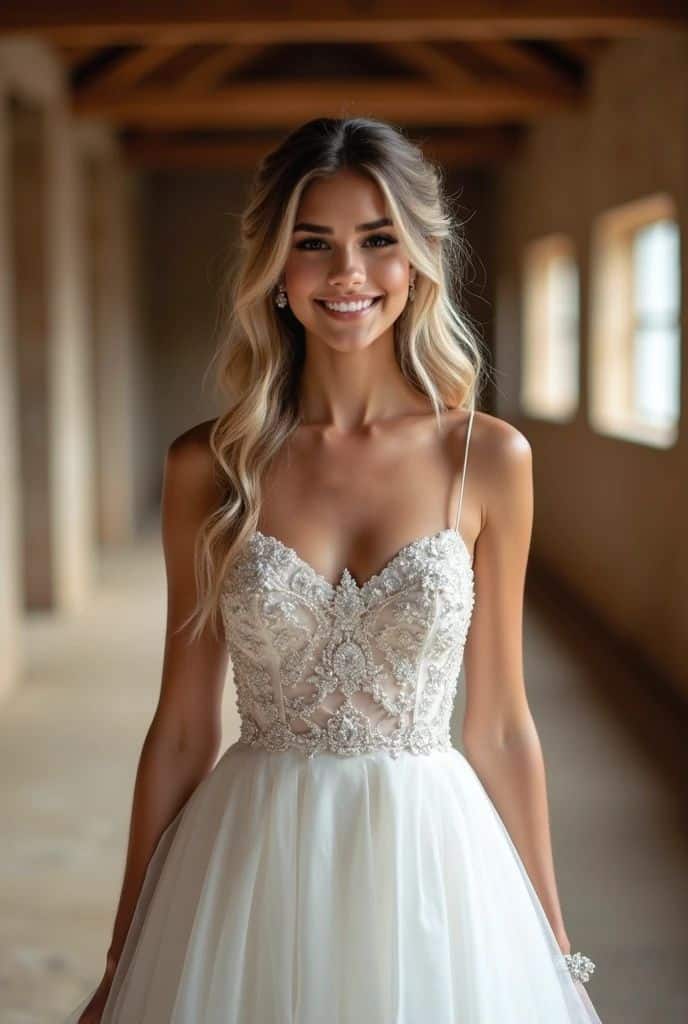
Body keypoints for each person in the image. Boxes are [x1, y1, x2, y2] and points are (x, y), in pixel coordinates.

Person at [65, 116, 603, 1023]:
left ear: (417, 261)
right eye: (313, 244)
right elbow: (184, 730)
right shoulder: (208, 468)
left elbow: (503, 724)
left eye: (377, 240)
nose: (347, 274)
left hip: (435, 861)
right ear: (275, 267)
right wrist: (124, 956)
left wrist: (551, 942)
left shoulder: (490, 459)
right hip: (251, 865)